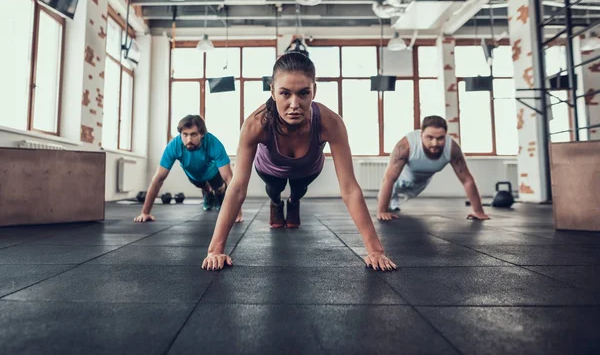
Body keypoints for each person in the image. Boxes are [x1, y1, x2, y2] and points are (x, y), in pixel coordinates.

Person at [201, 51, 397, 272]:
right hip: (270, 169)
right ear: (272, 92)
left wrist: (375, 250)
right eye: (285, 93)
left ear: (314, 91)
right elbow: (236, 188)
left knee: (298, 190)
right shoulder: (256, 124)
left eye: (303, 93)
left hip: (308, 168)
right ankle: (276, 202)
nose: (294, 104)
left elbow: (350, 188)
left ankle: (293, 202)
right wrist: (214, 250)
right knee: (274, 189)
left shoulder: (330, 122)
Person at [376, 115, 490, 221]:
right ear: (421, 135)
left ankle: (394, 200)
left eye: (440, 138)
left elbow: (467, 180)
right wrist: (382, 211)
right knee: (393, 191)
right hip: (401, 177)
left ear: (446, 135)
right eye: (429, 137)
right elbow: (389, 179)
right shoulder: (406, 145)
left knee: (408, 194)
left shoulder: (452, 149)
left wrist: (478, 211)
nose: (435, 143)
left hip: (423, 181)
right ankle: (392, 199)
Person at [134, 115, 243, 223]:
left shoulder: (214, 143)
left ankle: (219, 198)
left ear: (202, 134)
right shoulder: (174, 146)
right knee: (204, 187)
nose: (189, 139)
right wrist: (145, 212)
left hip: (212, 172)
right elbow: (158, 179)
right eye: (185, 135)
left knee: (219, 189)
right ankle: (208, 195)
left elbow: (229, 178)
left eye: (193, 134)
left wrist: (237, 213)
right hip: (193, 174)